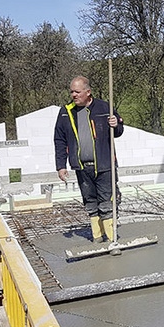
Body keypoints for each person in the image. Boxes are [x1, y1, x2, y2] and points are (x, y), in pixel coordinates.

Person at [54, 76, 123, 244]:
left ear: (88, 92)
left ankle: (112, 239)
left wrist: (116, 124)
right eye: (71, 91)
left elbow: (119, 130)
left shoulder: (104, 107)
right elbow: (59, 139)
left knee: (107, 202)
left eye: (77, 92)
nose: (73, 95)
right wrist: (61, 166)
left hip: (104, 165)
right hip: (82, 167)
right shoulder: (66, 112)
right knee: (90, 203)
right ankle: (97, 238)